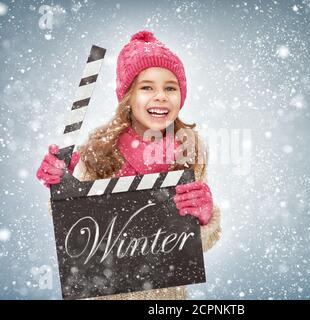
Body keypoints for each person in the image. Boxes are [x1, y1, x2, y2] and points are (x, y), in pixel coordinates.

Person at [36, 30, 221, 300]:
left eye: (170, 87)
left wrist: (205, 218)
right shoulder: (96, 152)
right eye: (147, 87)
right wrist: (61, 183)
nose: (160, 96)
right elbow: (74, 233)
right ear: (128, 96)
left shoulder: (190, 151)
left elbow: (195, 245)